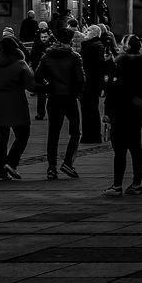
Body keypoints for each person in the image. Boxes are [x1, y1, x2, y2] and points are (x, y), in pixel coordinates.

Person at [102, 33, 142, 197]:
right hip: (136, 111)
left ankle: (117, 185)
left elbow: (111, 91)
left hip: (119, 111)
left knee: (119, 150)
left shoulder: (119, 64)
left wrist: (107, 113)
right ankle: (136, 184)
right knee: (136, 147)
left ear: (125, 47)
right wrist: (138, 102)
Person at [0, 35, 36, 181]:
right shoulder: (20, 64)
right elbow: (31, 86)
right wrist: (47, 87)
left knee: (0, 139)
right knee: (22, 135)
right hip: (16, 103)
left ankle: (0, 172)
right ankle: (11, 162)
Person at [36, 25, 85, 180]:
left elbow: (37, 76)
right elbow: (80, 79)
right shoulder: (74, 57)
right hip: (69, 98)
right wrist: (77, 92)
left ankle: (51, 168)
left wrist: (48, 85)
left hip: (53, 98)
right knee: (75, 131)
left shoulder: (47, 56)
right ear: (70, 41)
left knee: (53, 133)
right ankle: (68, 162)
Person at [77, 24, 107, 144]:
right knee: (89, 109)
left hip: (90, 83)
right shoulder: (94, 45)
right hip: (91, 83)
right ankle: (90, 135)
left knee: (90, 110)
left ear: (94, 33)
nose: (85, 32)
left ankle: (91, 136)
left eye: (88, 31)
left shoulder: (94, 46)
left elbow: (96, 68)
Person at [29, 21, 56, 119]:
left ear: (49, 36)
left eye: (45, 37)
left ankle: (52, 113)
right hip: (40, 73)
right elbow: (33, 58)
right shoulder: (36, 45)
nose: (43, 39)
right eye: (42, 37)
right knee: (41, 95)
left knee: (52, 95)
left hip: (52, 74)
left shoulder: (54, 45)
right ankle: (40, 113)